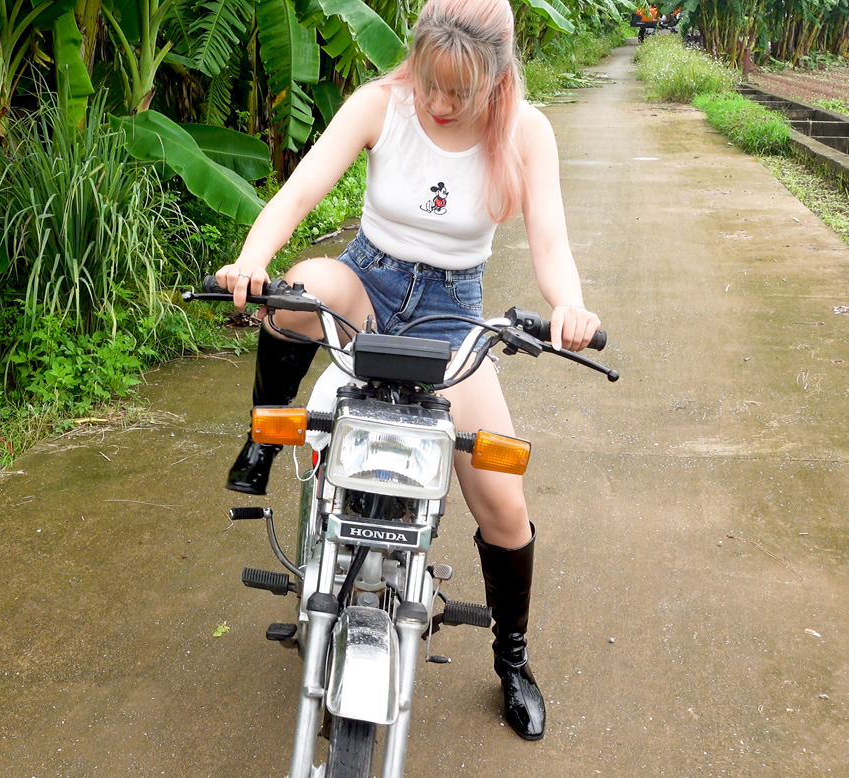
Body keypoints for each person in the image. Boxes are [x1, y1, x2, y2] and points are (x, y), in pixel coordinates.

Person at [215, 0, 601, 742]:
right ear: (416, 61)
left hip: (453, 319)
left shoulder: (526, 131)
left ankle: (512, 663)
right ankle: (261, 440)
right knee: (299, 291)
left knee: (504, 502)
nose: (442, 103)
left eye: (462, 90)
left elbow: (550, 244)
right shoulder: (380, 104)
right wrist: (252, 260)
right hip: (369, 284)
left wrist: (569, 306)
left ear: (498, 78)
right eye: (431, 83)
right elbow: (301, 191)